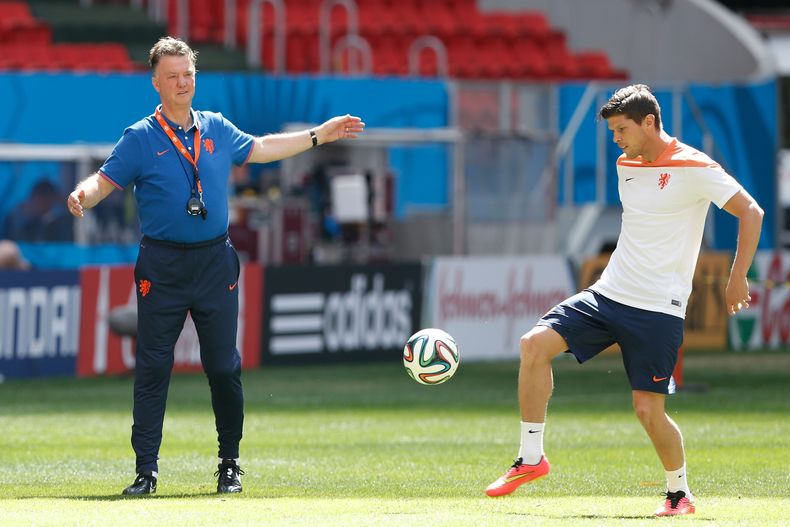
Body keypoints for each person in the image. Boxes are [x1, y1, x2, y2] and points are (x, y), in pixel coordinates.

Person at [67, 36, 365, 496]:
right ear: (156, 83)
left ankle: (230, 464)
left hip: (215, 263)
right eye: (173, 76)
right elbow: (104, 181)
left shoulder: (216, 127)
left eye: (188, 74)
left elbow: (263, 148)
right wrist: (82, 195)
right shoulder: (141, 137)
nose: (183, 82)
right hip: (161, 266)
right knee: (153, 368)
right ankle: (146, 471)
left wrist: (317, 135)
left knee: (224, 367)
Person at [484, 84, 763, 516]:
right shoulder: (625, 163)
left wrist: (737, 276)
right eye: (612, 130)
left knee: (647, 411)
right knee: (532, 345)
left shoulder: (696, 166)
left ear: (649, 122)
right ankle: (531, 458)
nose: (616, 138)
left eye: (621, 129)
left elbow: (752, 211)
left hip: (657, 310)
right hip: (608, 294)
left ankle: (678, 494)